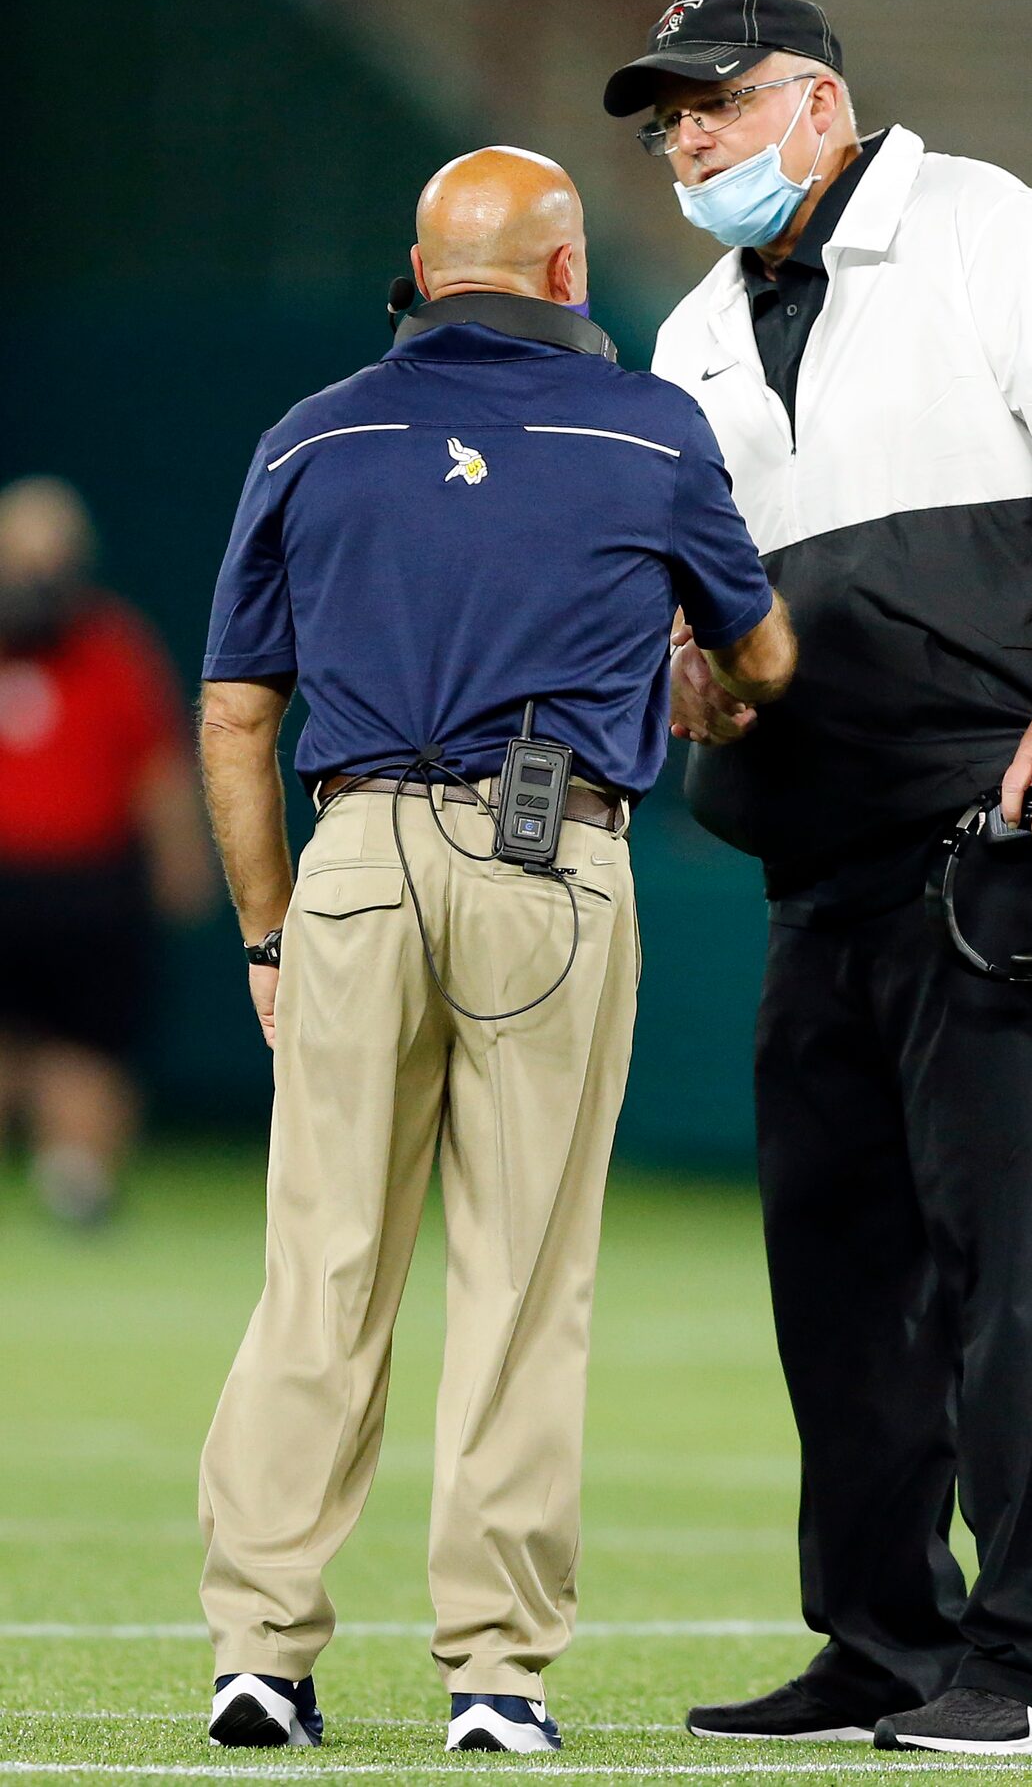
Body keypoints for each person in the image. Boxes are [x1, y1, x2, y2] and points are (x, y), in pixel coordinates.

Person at [604, 0, 1032, 1759]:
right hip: (824, 842)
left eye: (712, 102)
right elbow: (720, 610)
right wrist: (699, 671)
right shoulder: (695, 329)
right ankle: (881, 1633)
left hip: (1021, 815)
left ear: (815, 98)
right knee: (840, 1261)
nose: (685, 139)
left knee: (1012, 1251)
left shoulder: (983, 227)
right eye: (664, 118)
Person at [196, 146, 794, 1755]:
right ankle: (493, 1678)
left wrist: (269, 931)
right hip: (551, 858)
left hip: (355, 861)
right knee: (523, 1281)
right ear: (564, 271)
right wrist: (710, 674)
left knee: (319, 1269)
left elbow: (238, 714)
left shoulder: (312, 435)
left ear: (418, 265)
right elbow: (764, 650)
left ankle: (260, 1649)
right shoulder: (647, 429)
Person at [0, 476, 213, 1224]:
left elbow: (157, 766)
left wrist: (182, 861)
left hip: (88, 886)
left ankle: (77, 1180)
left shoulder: (113, 644)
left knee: (87, 1044)